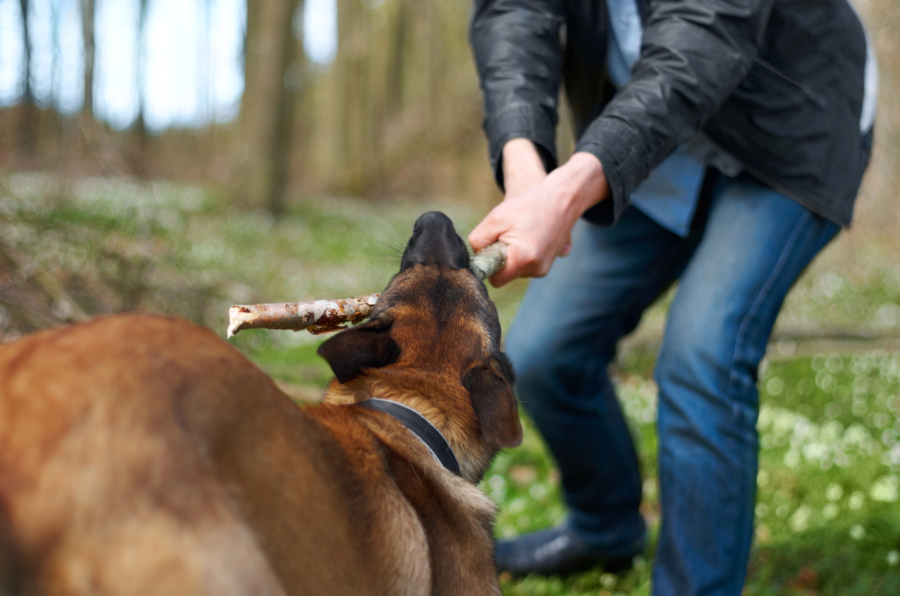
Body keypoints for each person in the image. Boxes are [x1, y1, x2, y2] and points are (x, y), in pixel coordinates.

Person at [467, 0, 877, 594]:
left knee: (702, 356)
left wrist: (566, 197)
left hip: (789, 130)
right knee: (543, 352)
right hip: (651, 128)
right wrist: (526, 168)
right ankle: (605, 529)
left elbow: (703, 36)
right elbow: (514, 11)